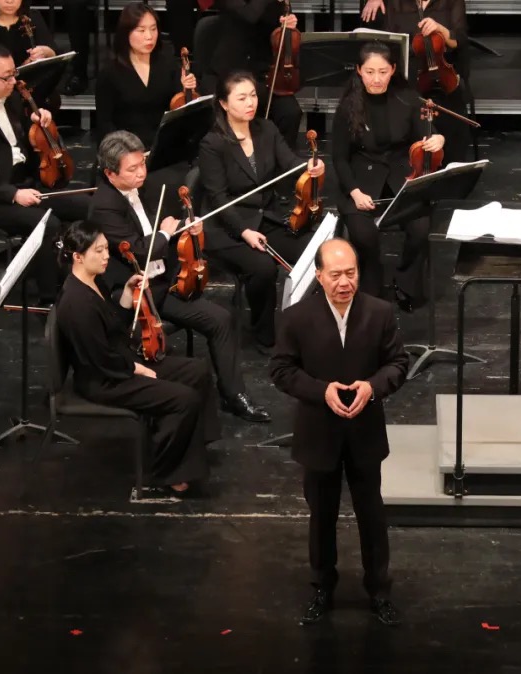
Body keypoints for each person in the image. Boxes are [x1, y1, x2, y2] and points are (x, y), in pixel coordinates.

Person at [269, 238, 409, 626]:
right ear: (318, 275)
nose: (344, 282)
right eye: (335, 275)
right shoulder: (297, 318)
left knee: (372, 516)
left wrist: (372, 387)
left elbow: (398, 363)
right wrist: (321, 391)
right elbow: (281, 369)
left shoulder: (380, 312)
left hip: (364, 431)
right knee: (321, 517)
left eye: (351, 273)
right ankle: (321, 589)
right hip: (319, 432)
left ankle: (379, 591)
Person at [90, 130, 271, 422]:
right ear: (110, 174)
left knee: (221, 319)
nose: (141, 173)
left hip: (163, 282)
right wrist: (166, 232)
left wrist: (187, 227)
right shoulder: (104, 205)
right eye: (132, 169)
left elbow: (166, 231)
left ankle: (234, 394)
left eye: (142, 164)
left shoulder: (146, 186)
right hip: (134, 294)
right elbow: (138, 251)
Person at [54, 220, 220, 497]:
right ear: (78, 257)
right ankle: (167, 474)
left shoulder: (94, 282)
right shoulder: (76, 303)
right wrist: (137, 369)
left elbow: (113, 325)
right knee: (183, 399)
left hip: (119, 361)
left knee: (198, 370)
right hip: (105, 379)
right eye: (99, 251)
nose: (107, 256)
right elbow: (99, 358)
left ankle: (190, 448)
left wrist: (128, 295)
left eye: (106, 249)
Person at [0, 42, 91, 304]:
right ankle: (50, 297)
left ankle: (81, 277)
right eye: (7, 77)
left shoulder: (13, 98)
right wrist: (13, 194)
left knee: (87, 206)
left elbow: (26, 134)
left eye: (15, 73)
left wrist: (38, 118)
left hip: (24, 182)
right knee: (48, 224)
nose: (14, 81)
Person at [198, 71, 324, 351]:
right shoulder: (212, 143)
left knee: (315, 252)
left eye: (253, 95)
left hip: (264, 216)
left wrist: (309, 167)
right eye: (241, 98)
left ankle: (306, 324)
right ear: (224, 104)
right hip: (227, 227)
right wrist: (244, 231)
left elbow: (290, 163)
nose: (250, 103)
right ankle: (264, 334)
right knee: (263, 268)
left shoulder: (266, 129)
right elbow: (218, 199)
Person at [330, 41, 443, 311]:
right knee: (364, 236)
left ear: (393, 69)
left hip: (402, 176)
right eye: (370, 72)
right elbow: (340, 158)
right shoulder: (347, 107)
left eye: (382, 72)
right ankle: (372, 289)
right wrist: (355, 192)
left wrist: (438, 138)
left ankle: (407, 285)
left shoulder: (408, 99)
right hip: (361, 180)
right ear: (359, 70)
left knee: (420, 229)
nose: (376, 79)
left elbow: (427, 134)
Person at [363, 0, 473, 163]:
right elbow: (386, 45)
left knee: (451, 100)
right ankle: (409, 163)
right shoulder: (395, 3)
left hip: (441, 75)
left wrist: (440, 28)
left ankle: (449, 162)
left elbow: (458, 40)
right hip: (407, 75)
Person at [93, 2, 199, 151]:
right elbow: (105, 124)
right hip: (126, 151)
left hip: (162, 147)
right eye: (141, 30)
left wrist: (185, 88)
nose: (149, 36)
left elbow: (178, 111)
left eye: (153, 29)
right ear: (126, 32)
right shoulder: (110, 72)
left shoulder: (168, 64)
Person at [205, 0, 303, 145]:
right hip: (230, 74)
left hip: (264, 75)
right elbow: (249, 15)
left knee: (290, 112)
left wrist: (288, 23)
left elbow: (281, 30)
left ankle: (282, 157)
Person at [0, 0, 60, 107]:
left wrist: (46, 51)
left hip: (33, 92)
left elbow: (54, 55)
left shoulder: (33, 17)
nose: (9, 1)